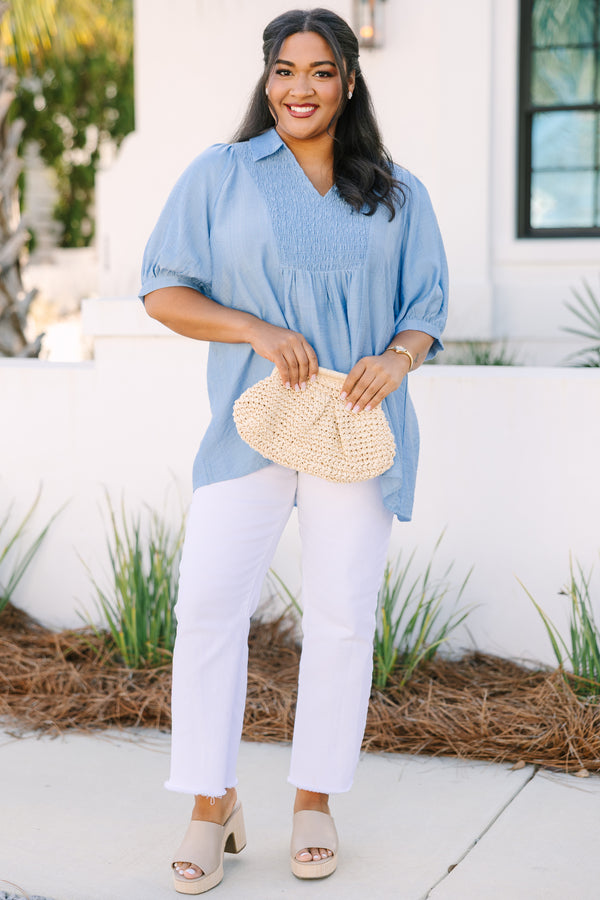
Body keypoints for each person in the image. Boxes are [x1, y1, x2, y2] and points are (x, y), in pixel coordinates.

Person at [140, 7, 448, 894]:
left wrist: (397, 358)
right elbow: (163, 289)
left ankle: (314, 798)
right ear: (265, 78)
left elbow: (426, 304)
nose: (299, 88)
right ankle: (211, 802)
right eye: (284, 70)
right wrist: (255, 328)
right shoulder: (220, 176)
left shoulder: (396, 191)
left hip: (356, 429)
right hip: (251, 423)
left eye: (319, 71)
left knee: (342, 617)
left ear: (349, 81)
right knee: (207, 608)